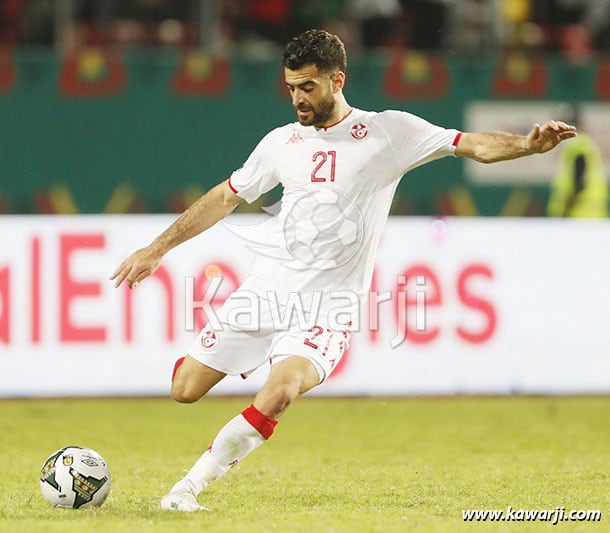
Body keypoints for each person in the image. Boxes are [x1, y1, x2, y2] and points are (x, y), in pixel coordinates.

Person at [110, 29, 576, 512]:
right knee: (184, 390)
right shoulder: (280, 142)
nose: (297, 98)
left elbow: (472, 144)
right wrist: (157, 248)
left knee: (280, 390)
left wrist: (527, 145)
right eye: (291, 87)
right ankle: (245, 357)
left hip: (328, 309)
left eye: (307, 87)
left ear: (338, 80)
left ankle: (185, 490)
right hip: (266, 293)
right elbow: (226, 197)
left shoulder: (388, 132)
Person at [547, 105, 608, 218]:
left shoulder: (575, 145)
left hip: (577, 215)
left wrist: (566, 209)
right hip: (592, 213)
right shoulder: (586, 143)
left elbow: (579, 182)